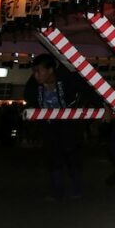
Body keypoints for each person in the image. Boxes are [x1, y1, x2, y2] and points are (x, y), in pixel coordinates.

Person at [23, 54, 86, 201]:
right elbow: (28, 96)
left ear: (50, 70)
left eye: (39, 71)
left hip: (69, 123)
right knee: (52, 156)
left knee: (71, 155)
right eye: (34, 71)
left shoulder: (67, 78)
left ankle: (77, 188)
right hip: (49, 124)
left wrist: (103, 107)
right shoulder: (33, 84)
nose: (36, 75)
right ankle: (57, 191)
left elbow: (86, 89)